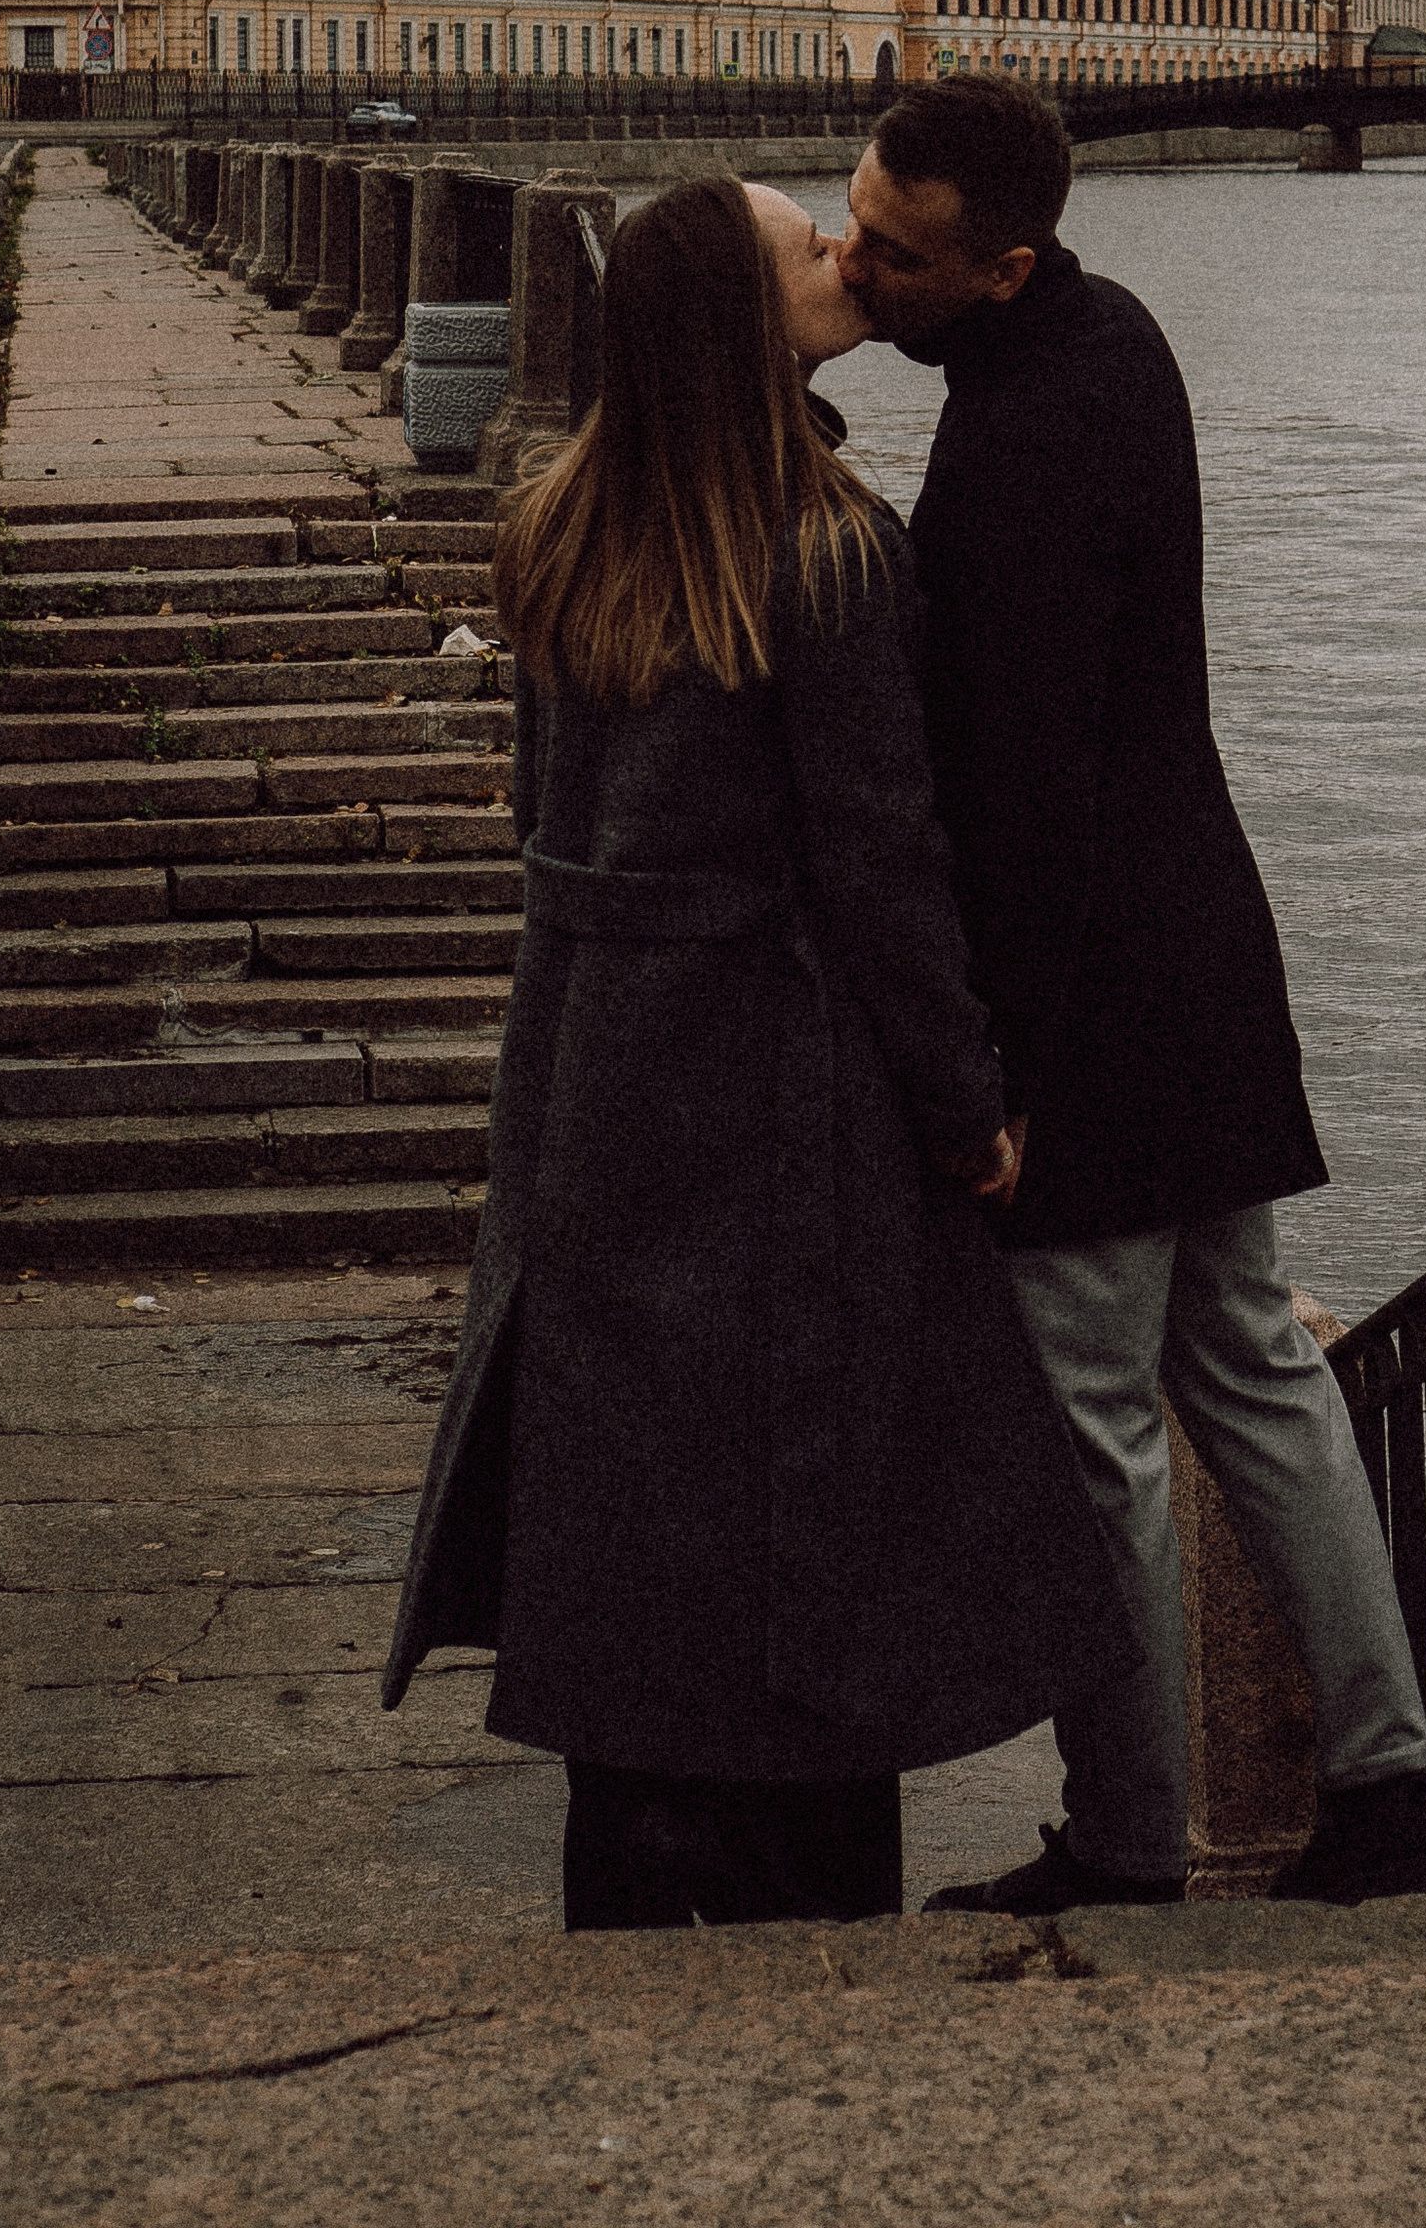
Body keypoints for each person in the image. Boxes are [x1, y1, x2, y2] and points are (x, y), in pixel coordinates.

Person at [381, 168, 1130, 1930]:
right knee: (807, 1509)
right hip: (787, 1098)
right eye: (813, 245)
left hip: (591, 1073)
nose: (843, 252)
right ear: (746, 316)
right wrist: (971, 1114)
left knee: (625, 1486)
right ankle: (810, 1927)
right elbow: (886, 871)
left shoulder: (557, 521)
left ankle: (632, 1890)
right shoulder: (831, 550)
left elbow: (532, 807)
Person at [829, 76, 1426, 1911]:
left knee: (1098, 1432)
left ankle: (1123, 1844)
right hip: (1199, 954)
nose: (862, 265)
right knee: (1258, 1372)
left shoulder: (1015, 450)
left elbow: (1016, 801)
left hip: (1089, 1001)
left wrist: (993, 1079)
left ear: (1005, 266)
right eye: (855, 220)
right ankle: (1391, 1785)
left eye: (898, 251)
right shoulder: (1113, 338)